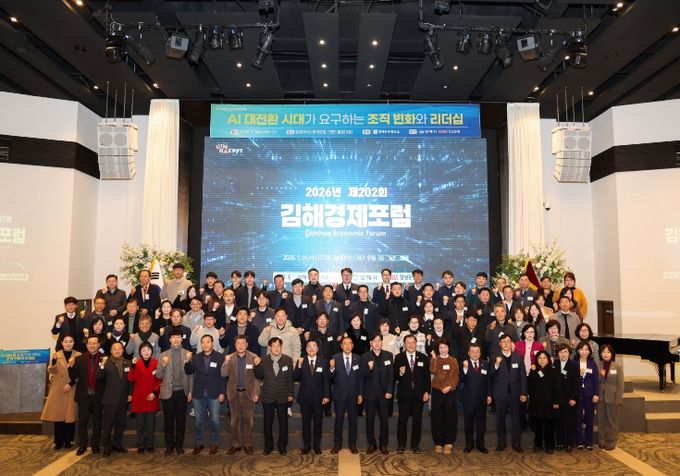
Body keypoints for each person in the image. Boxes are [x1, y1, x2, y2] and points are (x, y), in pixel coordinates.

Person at [184, 334, 226, 455]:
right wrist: (187, 360)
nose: (205, 344)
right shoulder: (196, 357)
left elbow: (223, 377)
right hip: (198, 393)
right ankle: (199, 443)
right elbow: (189, 371)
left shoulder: (220, 357)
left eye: (208, 342)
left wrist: (222, 392)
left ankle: (214, 443)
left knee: (215, 420)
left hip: (214, 393)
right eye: (203, 342)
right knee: (198, 421)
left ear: (212, 343)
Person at [221, 335, 262, 455]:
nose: (240, 345)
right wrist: (226, 362)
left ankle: (248, 444)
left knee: (249, 421)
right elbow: (223, 374)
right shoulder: (230, 357)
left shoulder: (253, 357)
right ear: (235, 345)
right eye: (238, 343)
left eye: (243, 343)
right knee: (234, 421)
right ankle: (236, 444)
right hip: (234, 393)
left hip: (248, 394)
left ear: (247, 345)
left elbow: (257, 378)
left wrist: (256, 393)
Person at [155, 328, 193, 455]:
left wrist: (190, 391)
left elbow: (191, 375)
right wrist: (163, 364)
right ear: (170, 339)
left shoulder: (188, 354)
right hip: (168, 392)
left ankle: (179, 445)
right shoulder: (163, 355)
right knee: (168, 421)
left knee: (181, 420)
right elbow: (158, 375)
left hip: (182, 391)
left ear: (182, 339)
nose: (176, 339)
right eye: (173, 337)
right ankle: (169, 445)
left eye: (178, 337)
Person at [254, 337, 295, 455]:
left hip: (283, 395)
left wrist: (290, 394)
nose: (276, 348)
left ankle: (282, 447)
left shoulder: (288, 360)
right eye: (274, 346)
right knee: (267, 423)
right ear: (269, 348)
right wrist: (257, 365)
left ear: (281, 347)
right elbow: (258, 375)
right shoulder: (263, 360)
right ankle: (268, 447)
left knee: (283, 423)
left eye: (278, 346)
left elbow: (290, 379)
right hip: (269, 395)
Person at [489, 334, 528, 452]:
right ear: (500, 344)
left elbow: (522, 377)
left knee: (516, 420)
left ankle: (516, 443)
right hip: (500, 394)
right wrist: (496, 365)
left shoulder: (518, 358)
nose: (506, 343)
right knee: (500, 420)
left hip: (515, 394)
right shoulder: (494, 357)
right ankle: (502, 443)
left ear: (512, 344)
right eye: (503, 341)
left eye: (508, 341)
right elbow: (491, 376)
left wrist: (523, 393)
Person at [394, 334, 431, 453]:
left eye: (413, 342)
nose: (410, 345)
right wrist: (400, 373)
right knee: (402, 420)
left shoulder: (423, 357)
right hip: (404, 395)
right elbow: (394, 376)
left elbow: (426, 377)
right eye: (408, 343)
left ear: (416, 344)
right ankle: (401, 445)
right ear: (404, 344)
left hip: (418, 395)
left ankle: (415, 445)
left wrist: (427, 392)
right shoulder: (399, 357)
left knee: (417, 420)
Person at [41, 335, 79, 450]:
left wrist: (70, 384)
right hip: (59, 389)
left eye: (71, 341)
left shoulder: (78, 355)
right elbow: (50, 370)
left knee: (70, 416)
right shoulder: (56, 355)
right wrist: (53, 361)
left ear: (74, 342)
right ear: (62, 343)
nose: (68, 343)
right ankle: (58, 441)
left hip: (72, 388)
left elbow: (81, 373)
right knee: (58, 416)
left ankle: (68, 441)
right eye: (65, 341)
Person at [293, 340, 330, 455]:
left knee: (318, 423)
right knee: (306, 423)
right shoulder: (301, 361)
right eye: (309, 346)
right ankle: (307, 446)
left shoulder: (323, 362)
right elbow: (294, 377)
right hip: (305, 398)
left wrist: (326, 395)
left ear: (317, 349)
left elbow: (326, 380)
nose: (312, 348)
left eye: (314, 346)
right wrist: (299, 366)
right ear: (306, 349)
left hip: (319, 398)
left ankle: (316, 446)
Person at [360, 332, 394, 455]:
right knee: (370, 420)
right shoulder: (365, 356)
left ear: (382, 342)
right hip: (370, 393)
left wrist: (389, 391)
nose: (377, 343)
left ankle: (383, 444)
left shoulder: (388, 355)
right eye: (374, 341)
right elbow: (362, 375)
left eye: (379, 340)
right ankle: (371, 443)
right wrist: (369, 368)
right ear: (370, 343)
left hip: (384, 393)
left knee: (384, 420)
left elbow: (391, 375)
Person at [329, 336, 363, 454]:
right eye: (345, 343)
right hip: (339, 395)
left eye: (349, 343)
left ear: (352, 346)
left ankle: (352, 444)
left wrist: (360, 394)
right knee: (338, 420)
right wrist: (331, 368)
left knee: (353, 421)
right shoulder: (335, 358)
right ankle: (337, 444)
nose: (347, 346)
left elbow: (360, 378)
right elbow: (330, 377)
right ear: (341, 346)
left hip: (354, 395)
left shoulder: (358, 359)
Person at [97, 341, 132, 457]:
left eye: (119, 348)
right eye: (114, 349)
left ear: (123, 350)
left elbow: (130, 381)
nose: (117, 351)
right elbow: (98, 376)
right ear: (111, 351)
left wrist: (130, 394)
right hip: (109, 399)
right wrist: (102, 364)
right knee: (107, 425)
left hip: (123, 399)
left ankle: (117, 444)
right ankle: (107, 446)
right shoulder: (106, 363)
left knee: (121, 425)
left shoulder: (128, 363)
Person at [128, 342, 161, 453]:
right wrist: (132, 367)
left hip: (152, 397)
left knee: (151, 424)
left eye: (148, 350)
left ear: (151, 351)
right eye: (143, 350)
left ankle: (150, 444)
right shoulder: (136, 363)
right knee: (140, 424)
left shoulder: (156, 363)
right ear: (140, 353)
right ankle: (140, 445)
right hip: (139, 398)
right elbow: (131, 378)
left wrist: (154, 392)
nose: (146, 352)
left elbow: (160, 380)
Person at [429, 337, 459, 454]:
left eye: (445, 347)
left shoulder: (453, 360)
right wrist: (433, 358)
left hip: (450, 392)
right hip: (437, 391)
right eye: (441, 347)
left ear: (448, 348)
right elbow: (432, 370)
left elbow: (456, 376)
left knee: (450, 416)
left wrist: (449, 386)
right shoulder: (435, 359)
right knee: (437, 417)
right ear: (438, 349)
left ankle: (448, 442)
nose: (443, 349)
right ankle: (438, 442)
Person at [460, 343, 490, 453]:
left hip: (482, 399)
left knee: (481, 423)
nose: (475, 354)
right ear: (469, 353)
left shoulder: (485, 364)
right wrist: (465, 369)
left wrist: (489, 395)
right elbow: (460, 379)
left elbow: (488, 381)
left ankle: (480, 444)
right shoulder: (464, 363)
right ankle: (469, 443)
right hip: (469, 399)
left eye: (477, 351)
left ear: (480, 353)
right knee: (468, 423)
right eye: (472, 351)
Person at [527, 350, 560, 453]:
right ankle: (538, 445)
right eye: (540, 358)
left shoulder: (554, 371)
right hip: (536, 404)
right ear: (536, 360)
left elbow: (557, 388)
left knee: (549, 427)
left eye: (544, 358)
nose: (542, 360)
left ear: (548, 359)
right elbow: (530, 383)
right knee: (538, 427)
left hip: (550, 404)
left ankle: (549, 446)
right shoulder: (534, 370)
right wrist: (533, 371)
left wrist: (556, 401)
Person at [554, 342, 579, 452]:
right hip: (558, 399)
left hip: (570, 399)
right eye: (561, 352)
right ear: (557, 353)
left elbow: (577, 384)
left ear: (569, 353)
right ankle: (560, 443)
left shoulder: (574, 365)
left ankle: (569, 444)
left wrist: (573, 398)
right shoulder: (554, 364)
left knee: (570, 422)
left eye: (565, 352)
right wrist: (554, 400)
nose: (563, 354)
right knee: (559, 422)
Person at [598, 344, 624, 450]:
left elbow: (620, 384)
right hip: (600, 397)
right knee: (601, 420)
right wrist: (601, 376)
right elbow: (595, 381)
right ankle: (602, 440)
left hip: (612, 397)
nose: (606, 354)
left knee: (612, 421)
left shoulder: (617, 366)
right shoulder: (597, 365)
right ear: (600, 354)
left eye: (608, 352)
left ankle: (612, 440)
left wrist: (618, 399)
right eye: (603, 352)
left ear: (612, 354)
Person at [575, 341, 599, 450]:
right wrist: (579, 375)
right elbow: (572, 380)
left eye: (586, 350)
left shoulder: (593, 363)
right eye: (581, 349)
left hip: (589, 394)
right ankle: (579, 441)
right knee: (578, 418)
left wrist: (596, 394)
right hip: (578, 394)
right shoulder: (574, 363)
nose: (584, 352)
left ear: (589, 351)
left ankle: (589, 442)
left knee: (589, 418)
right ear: (578, 351)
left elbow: (596, 380)